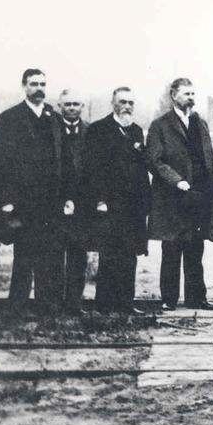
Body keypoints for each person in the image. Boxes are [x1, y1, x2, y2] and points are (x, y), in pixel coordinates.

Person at [0, 69, 69, 313]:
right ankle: (18, 305)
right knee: (24, 254)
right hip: (23, 201)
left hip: (50, 200)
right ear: (24, 86)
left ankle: (46, 305)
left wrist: (65, 197)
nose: (39, 89)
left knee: (49, 254)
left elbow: (64, 159)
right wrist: (6, 200)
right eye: (34, 84)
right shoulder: (10, 117)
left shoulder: (54, 118)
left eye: (43, 84)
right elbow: (0, 162)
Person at [146, 78, 213, 311]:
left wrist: (210, 189)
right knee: (172, 248)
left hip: (198, 196)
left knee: (195, 249)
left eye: (193, 93)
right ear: (173, 95)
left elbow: (207, 159)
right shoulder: (160, 125)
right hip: (172, 198)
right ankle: (169, 299)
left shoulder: (200, 123)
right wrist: (177, 180)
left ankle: (196, 298)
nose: (191, 97)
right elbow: (155, 160)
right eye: (186, 93)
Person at [83, 87, 150, 315]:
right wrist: (100, 200)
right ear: (113, 103)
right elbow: (92, 169)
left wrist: (144, 202)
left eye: (131, 102)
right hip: (109, 204)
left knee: (130, 254)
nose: (127, 106)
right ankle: (104, 305)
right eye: (122, 102)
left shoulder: (136, 131)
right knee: (110, 253)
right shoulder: (98, 129)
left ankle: (126, 304)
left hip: (132, 205)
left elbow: (141, 169)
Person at [55, 89, 89, 315]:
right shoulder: (50, 130)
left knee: (78, 254)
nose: (72, 108)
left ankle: (74, 303)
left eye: (76, 104)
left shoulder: (90, 132)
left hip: (82, 203)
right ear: (59, 106)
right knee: (55, 253)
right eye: (67, 104)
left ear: (82, 107)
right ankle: (55, 303)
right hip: (55, 201)